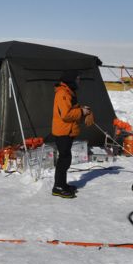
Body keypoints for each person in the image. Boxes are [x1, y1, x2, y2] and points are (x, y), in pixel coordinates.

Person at [51, 70, 93, 198]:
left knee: (65, 159)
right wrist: (81, 112)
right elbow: (66, 115)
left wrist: (84, 110)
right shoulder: (63, 93)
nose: (78, 81)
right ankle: (58, 187)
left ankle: (62, 184)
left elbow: (71, 109)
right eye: (77, 79)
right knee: (64, 160)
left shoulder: (69, 92)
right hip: (63, 131)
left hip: (67, 131)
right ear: (71, 80)